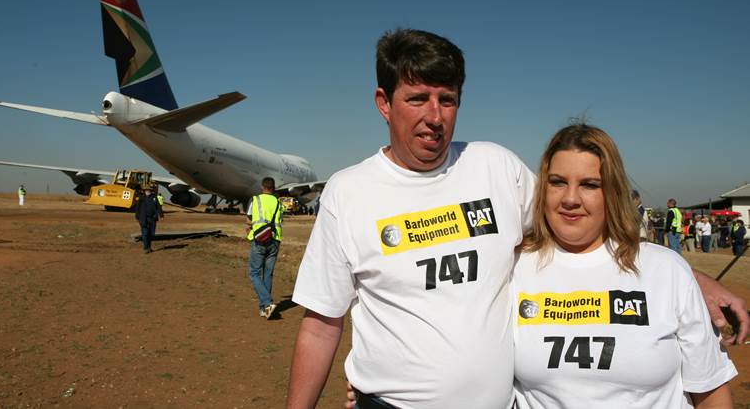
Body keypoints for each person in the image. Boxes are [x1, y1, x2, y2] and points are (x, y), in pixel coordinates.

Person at [289, 29, 748, 409]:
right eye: (417, 98)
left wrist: (691, 279)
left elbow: (581, 220)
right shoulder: (347, 193)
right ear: (383, 102)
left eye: (447, 100)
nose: (434, 116)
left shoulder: (494, 166)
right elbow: (319, 324)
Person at [512, 124, 736, 407]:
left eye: (589, 185)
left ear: (613, 192)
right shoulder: (514, 269)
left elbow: (711, 392)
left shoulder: (666, 270)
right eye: (557, 182)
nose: (570, 199)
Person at [246, 177, 283, 319]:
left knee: (254, 273)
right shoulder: (278, 202)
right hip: (275, 240)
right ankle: (265, 309)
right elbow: (279, 220)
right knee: (268, 274)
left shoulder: (255, 200)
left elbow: (249, 219)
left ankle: (267, 302)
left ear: (262, 187)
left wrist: (249, 227)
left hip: (259, 240)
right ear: (273, 188)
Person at [134, 187, 161, 254]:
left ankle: (149, 247)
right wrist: (137, 217)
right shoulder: (141, 198)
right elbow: (137, 208)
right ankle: (146, 248)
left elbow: (158, 206)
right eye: (146, 190)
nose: (147, 191)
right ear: (144, 191)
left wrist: (161, 215)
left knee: (150, 234)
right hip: (143, 218)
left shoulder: (154, 198)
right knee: (145, 233)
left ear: (151, 191)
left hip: (152, 219)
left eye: (149, 190)